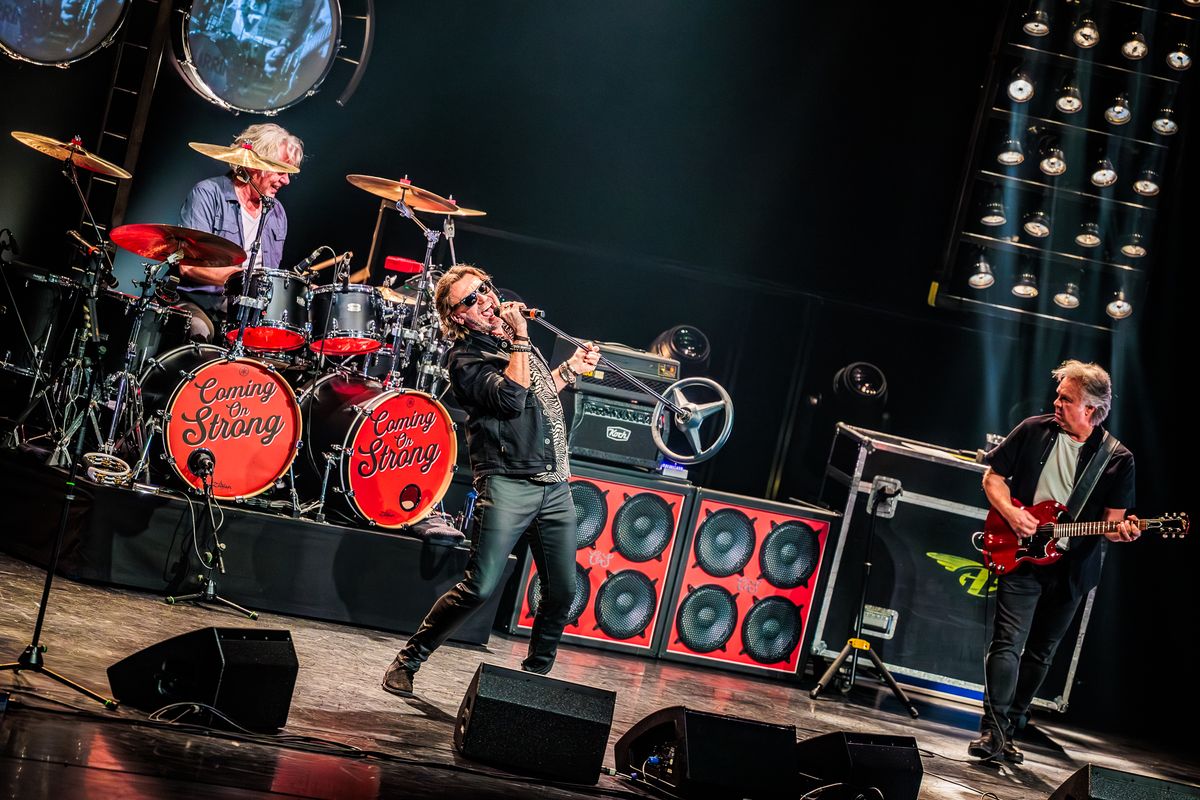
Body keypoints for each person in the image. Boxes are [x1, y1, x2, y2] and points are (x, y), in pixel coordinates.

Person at [382, 265, 601, 697]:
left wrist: (569, 370)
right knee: (479, 586)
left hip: (554, 483)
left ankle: (534, 676)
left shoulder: (515, 344)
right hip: (508, 484)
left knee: (562, 591)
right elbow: (510, 398)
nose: (483, 300)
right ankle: (408, 661)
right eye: (469, 300)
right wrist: (520, 337)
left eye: (483, 290)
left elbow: (536, 399)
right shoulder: (464, 359)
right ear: (457, 317)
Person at [970, 360, 1138, 764]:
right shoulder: (1033, 429)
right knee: (1007, 642)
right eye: (1059, 395)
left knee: (1042, 653)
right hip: (1022, 553)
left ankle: (1012, 723)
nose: (1056, 403)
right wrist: (1013, 513)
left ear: (1092, 411)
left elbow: (1113, 526)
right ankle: (992, 731)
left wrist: (1125, 531)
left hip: (1072, 569)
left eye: (1067, 399)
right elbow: (992, 477)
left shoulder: (1117, 459)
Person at [177, 123, 303, 342]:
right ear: (255, 164)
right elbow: (188, 267)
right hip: (201, 303)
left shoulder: (277, 213)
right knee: (197, 330)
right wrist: (242, 279)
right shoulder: (208, 194)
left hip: (249, 315)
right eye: (281, 170)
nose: (286, 180)